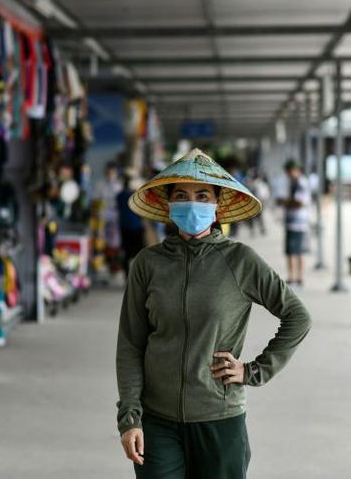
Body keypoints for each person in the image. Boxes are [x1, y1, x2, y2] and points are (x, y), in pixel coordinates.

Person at [116, 149, 312, 479]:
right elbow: (131, 345)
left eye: (202, 196)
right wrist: (130, 417)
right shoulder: (147, 265)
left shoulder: (240, 261)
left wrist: (254, 371)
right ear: (168, 204)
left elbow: (297, 315)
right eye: (182, 196)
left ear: (217, 205)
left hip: (220, 419)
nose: (192, 204)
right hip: (157, 422)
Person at [277, 159, 311, 288]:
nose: (288, 174)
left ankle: (297, 278)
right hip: (293, 221)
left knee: (296, 250)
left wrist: (285, 202)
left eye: (290, 171)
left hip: (298, 221)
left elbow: (299, 203)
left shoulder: (301, 183)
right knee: (292, 250)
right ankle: (294, 277)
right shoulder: (293, 182)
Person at [116, 174, 146, 277]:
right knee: (138, 253)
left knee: (126, 252)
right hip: (136, 227)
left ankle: (127, 275)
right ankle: (138, 276)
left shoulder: (120, 195)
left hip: (124, 227)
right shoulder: (135, 195)